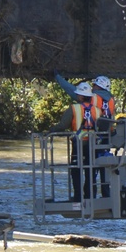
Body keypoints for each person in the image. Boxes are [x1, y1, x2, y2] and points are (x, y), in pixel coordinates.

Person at [49, 74, 96, 202]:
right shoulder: (97, 110)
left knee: (76, 170)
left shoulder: (73, 109)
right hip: (93, 144)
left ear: (80, 96)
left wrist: (51, 130)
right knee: (91, 170)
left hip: (79, 144)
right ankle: (90, 195)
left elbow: (63, 125)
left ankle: (78, 197)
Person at [91, 75, 117, 198]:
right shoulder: (111, 99)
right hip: (107, 134)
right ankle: (106, 193)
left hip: (94, 135)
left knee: (91, 166)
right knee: (104, 164)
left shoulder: (93, 97)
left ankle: (91, 193)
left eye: (94, 85)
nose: (92, 87)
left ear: (98, 86)